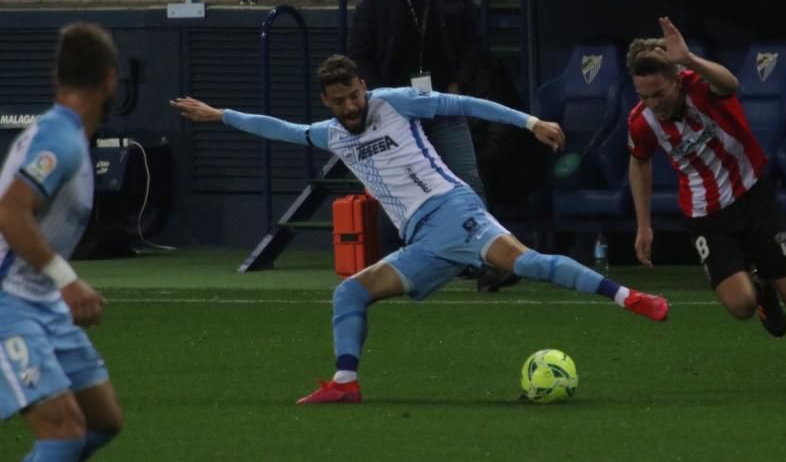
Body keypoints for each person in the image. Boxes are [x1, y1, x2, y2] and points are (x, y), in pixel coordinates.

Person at [170, 54, 670, 404]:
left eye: (354, 95)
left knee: (529, 264)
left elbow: (465, 106)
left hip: (453, 209)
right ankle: (345, 383)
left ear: (363, 86)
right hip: (424, 240)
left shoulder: (396, 102)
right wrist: (222, 116)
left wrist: (529, 122)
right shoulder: (331, 135)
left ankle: (629, 297)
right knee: (350, 293)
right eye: (339, 101)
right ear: (326, 101)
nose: (351, 107)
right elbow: (280, 129)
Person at [626, 17, 786, 385]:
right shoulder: (641, 122)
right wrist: (644, 225)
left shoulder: (700, 87)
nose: (653, 104)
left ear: (676, 80)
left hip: (754, 199)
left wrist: (689, 59)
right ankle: (762, 293)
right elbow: (639, 162)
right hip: (706, 217)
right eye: (643, 96)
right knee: (741, 305)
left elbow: (730, 83)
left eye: (658, 94)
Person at [347, 0, 513, 291]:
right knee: (399, 184)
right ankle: (400, 264)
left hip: (443, 104)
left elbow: (474, 42)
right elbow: (359, 51)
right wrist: (384, 97)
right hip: (397, 112)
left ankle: (488, 260)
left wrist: (458, 83)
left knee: (466, 179)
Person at [0, 23, 124, 460]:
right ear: (111, 80)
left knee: (102, 421)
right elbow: (9, 212)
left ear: (56, 78)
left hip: (40, 300)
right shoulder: (61, 139)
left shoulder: (66, 135)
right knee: (64, 432)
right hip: (7, 299)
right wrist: (67, 280)